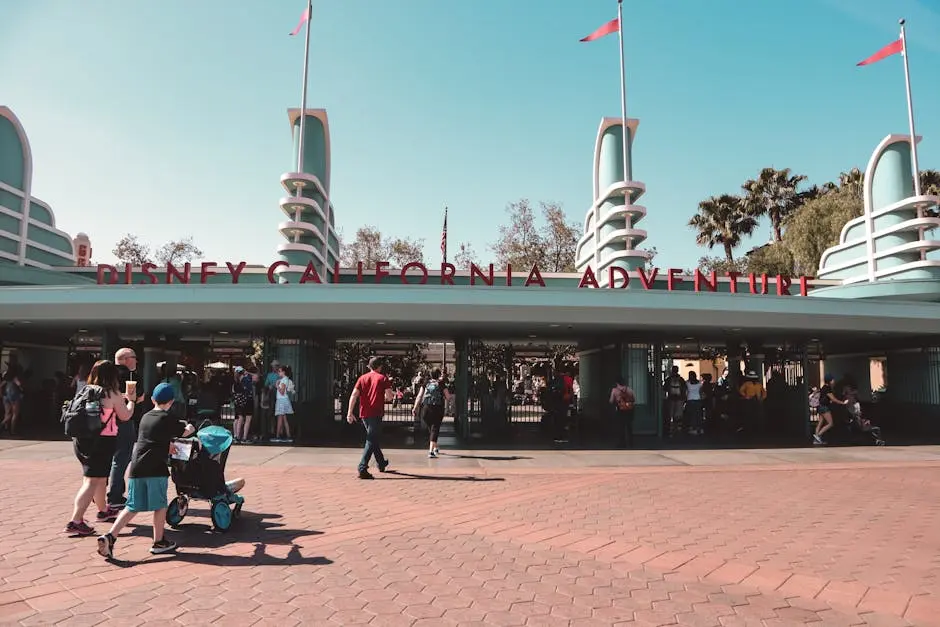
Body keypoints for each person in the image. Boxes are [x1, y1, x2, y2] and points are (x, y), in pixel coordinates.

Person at [97, 383, 195, 558]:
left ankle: (110, 536)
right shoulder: (167, 418)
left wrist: (167, 446)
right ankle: (159, 541)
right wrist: (190, 428)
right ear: (171, 401)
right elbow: (184, 432)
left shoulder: (146, 417)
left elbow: (153, 439)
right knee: (160, 506)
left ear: (152, 399)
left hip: (137, 468)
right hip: (155, 469)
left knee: (132, 506)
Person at [65, 360, 136, 536]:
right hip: (102, 442)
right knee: (91, 481)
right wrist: (131, 401)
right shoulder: (112, 393)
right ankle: (76, 521)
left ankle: (103, 510)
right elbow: (125, 416)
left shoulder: (86, 390)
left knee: (99, 477)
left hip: (82, 440)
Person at [108, 348, 145, 510]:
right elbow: (139, 397)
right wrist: (131, 399)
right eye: (134, 357)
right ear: (126, 359)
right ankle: (115, 495)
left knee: (107, 457)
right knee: (121, 458)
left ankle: (99, 491)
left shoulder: (105, 373)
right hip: (124, 420)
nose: (136, 361)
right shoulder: (131, 376)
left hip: (104, 420)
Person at [346, 356, 392, 479]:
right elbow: (389, 396)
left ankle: (381, 462)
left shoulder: (362, 378)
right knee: (371, 439)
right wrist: (384, 396)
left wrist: (350, 412)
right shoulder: (383, 378)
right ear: (379, 366)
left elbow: (354, 395)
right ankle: (362, 467)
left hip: (364, 413)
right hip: (376, 413)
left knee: (373, 437)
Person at [413, 368, 446, 458]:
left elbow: (419, 396)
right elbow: (448, 396)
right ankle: (431, 451)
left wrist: (415, 407)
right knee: (435, 429)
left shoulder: (426, 383)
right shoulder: (441, 384)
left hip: (426, 409)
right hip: (437, 408)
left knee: (431, 429)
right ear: (438, 375)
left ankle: (435, 447)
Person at [813, 373, 846, 446]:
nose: (834, 381)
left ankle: (816, 440)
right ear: (830, 380)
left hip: (820, 406)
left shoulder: (823, 387)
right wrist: (842, 403)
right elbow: (833, 399)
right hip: (825, 407)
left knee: (820, 423)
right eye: (833, 379)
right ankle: (818, 435)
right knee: (830, 423)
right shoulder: (827, 388)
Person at [609, 378, 636, 448]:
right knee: (629, 426)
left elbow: (611, 401)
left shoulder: (614, 390)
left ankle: (622, 443)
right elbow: (634, 399)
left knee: (621, 427)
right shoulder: (630, 390)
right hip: (629, 410)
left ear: (617, 383)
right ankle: (631, 443)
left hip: (620, 411)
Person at [231, 366, 255, 443]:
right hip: (248, 401)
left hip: (239, 402)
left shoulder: (236, 382)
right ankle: (244, 437)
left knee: (239, 418)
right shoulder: (246, 380)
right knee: (248, 420)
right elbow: (255, 377)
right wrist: (248, 373)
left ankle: (237, 436)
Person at [274, 365, 295, 443]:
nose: (278, 372)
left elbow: (282, 392)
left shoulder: (283, 380)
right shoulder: (285, 379)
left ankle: (278, 435)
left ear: (283, 372)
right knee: (284, 419)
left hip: (281, 400)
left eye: (279, 371)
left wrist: (277, 386)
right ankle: (288, 435)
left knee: (280, 418)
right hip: (284, 400)